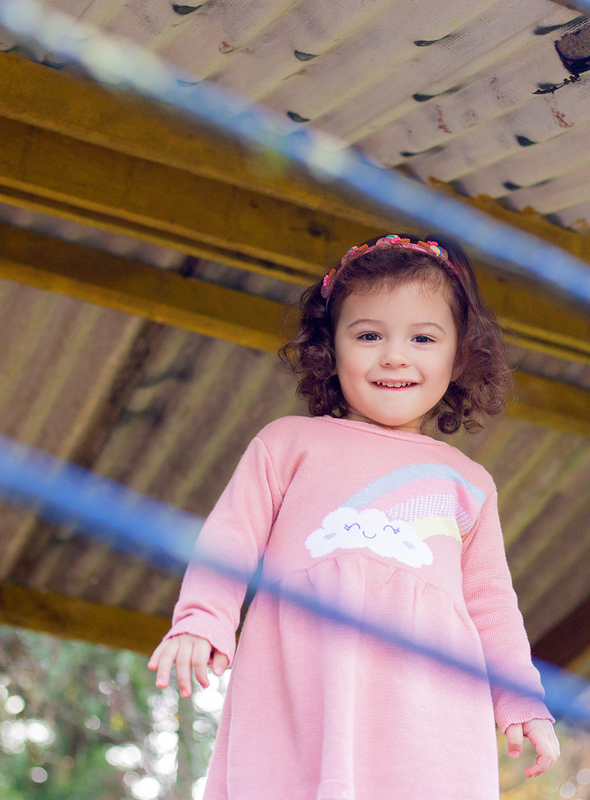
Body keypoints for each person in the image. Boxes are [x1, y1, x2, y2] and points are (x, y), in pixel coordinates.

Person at [148, 234, 560, 799]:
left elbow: (492, 607)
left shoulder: (469, 486)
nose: (394, 355)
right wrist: (202, 618)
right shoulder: (287, 444)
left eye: (423, 337)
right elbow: (231, 537)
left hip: (425, 712)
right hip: (302, 691)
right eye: (368, 335)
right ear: (331, 348)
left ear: (459, 355)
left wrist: (520, 699)